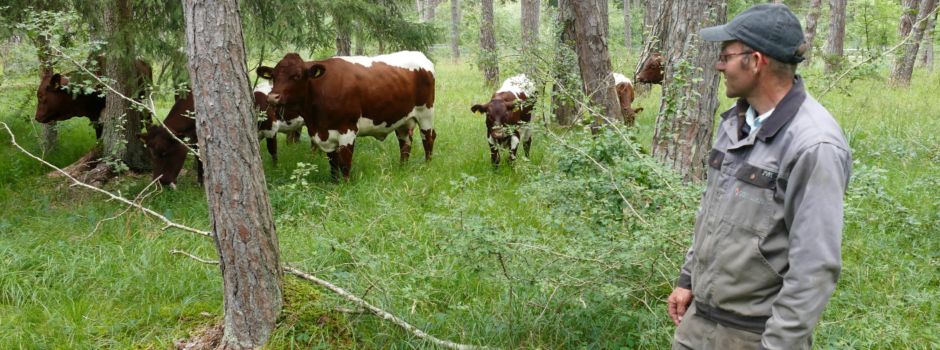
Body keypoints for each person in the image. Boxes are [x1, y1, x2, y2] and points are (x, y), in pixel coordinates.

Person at [667, 4, 852, 350]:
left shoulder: (815, 145)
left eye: (726, 55)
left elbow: (814, 267)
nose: (719, 65)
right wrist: (688, 278)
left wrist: (778, 344)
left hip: (754, 336)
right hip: (697, 324)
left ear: (755, 61)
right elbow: (712, 213)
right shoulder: (733, 126)